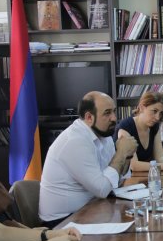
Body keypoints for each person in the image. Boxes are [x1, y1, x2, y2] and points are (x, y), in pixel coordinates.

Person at [39, 92, 137, 224]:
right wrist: (121, 153)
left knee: (138, 217)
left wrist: (127, 155)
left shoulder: (104, 134)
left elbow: (117, 180)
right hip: (62, 221)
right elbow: (102, 190)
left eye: (114, 111)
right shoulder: (75, 141)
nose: (114, 118)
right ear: (89, 117)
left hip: (91, 209)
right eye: (107, 113)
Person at [114, 92, 163, 172]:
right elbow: (134, 166)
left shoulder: (154, 126)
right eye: (154, 111)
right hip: (121, 177)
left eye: (160, 113)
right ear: (142, 107)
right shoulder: (125, 127)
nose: (158, 118)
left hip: (141, 176)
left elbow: (160, 157)